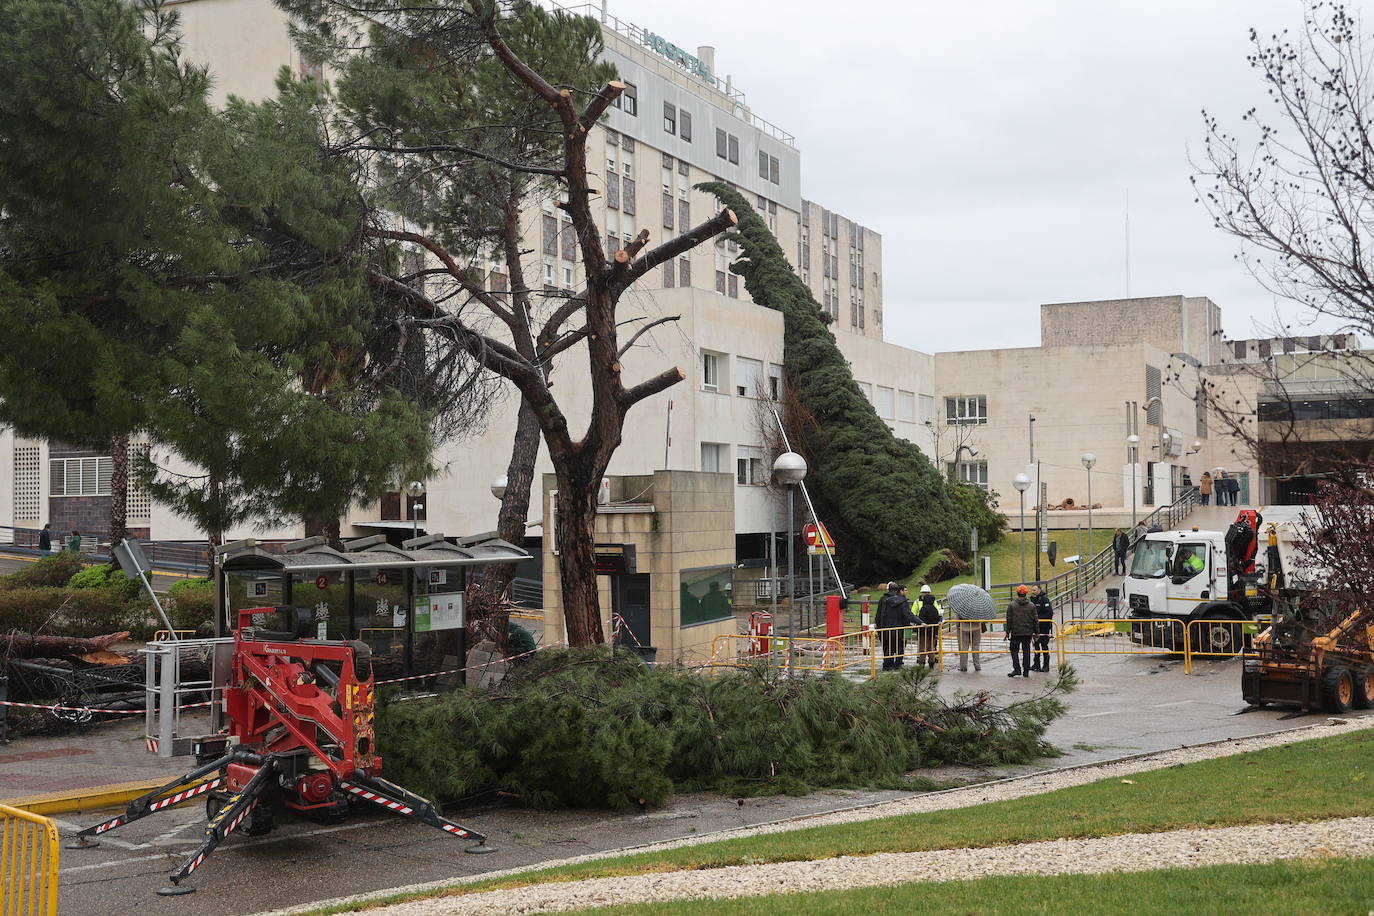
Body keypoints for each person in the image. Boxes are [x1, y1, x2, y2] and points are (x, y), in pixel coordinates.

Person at [875, 582, 918, 670]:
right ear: (898, 590)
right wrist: (919, 622)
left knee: (888, 646)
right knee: (900, 646)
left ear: (888, 589)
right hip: (901, 628)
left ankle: (887, 664)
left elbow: (880, 614)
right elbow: (908, 615)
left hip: (886, 627)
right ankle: (898, 663)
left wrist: (879, 626)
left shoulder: (884, 599)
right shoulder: (902, 601)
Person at [1003, 585, 1038, 677]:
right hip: (1027, 632)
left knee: (1014, 650)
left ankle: (1017, 668)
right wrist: (1036, 632)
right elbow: (1035, 620)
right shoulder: (1031, 606)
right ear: (1026, 593)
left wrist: (1007, 632)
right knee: (1026, 651)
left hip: (1016, 632)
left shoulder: (1012, 605)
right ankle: (1026, 670)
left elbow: (1009, 620)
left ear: (1017, 593)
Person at [915, 584, 941, 669]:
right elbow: (938, 617)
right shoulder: (934, 608)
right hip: (933, 631)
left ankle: (922, 662)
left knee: (923, 647)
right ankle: (931, 662)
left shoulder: (923, 608)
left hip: (923, 631)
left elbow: (920, 619)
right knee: (931, 647)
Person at [1029, 586, 1054, 672]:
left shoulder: (1044, 599)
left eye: (1034, 590)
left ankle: (1046, 665)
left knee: (1044, 646)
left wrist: (1038, 619)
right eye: (1032, 590)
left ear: (1039, 590)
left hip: (1044, 627)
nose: (1032, 592)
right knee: (1035, 646)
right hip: (1034, 627)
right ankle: (1036, 664)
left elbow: (1049, 613)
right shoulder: (1031, 600)